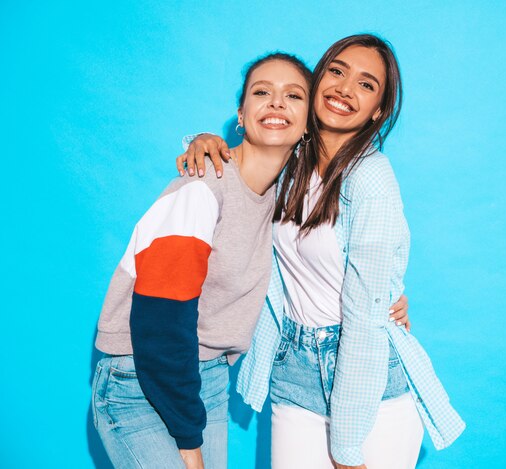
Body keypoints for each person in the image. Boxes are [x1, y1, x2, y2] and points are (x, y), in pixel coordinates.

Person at [179, 34, 465, 469]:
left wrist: (347, 449)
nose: (346, 89)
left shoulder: (371, 179)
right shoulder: (290, 160)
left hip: (368, 382)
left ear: (379, 110)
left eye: (367, 85)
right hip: (294, 372)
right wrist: (200, 139)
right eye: (337, 71)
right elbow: (241, 154)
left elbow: (366, 317)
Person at [91, 53, 313, 469]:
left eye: (294, 95)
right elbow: (160, 322)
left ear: (306, 123)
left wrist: (391, 298)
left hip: (205, 378)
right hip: (139, 378)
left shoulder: (281, 198)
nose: (277, 103)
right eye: (262, 92)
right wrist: (190, 443)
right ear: (242, 116)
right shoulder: (202, 189)